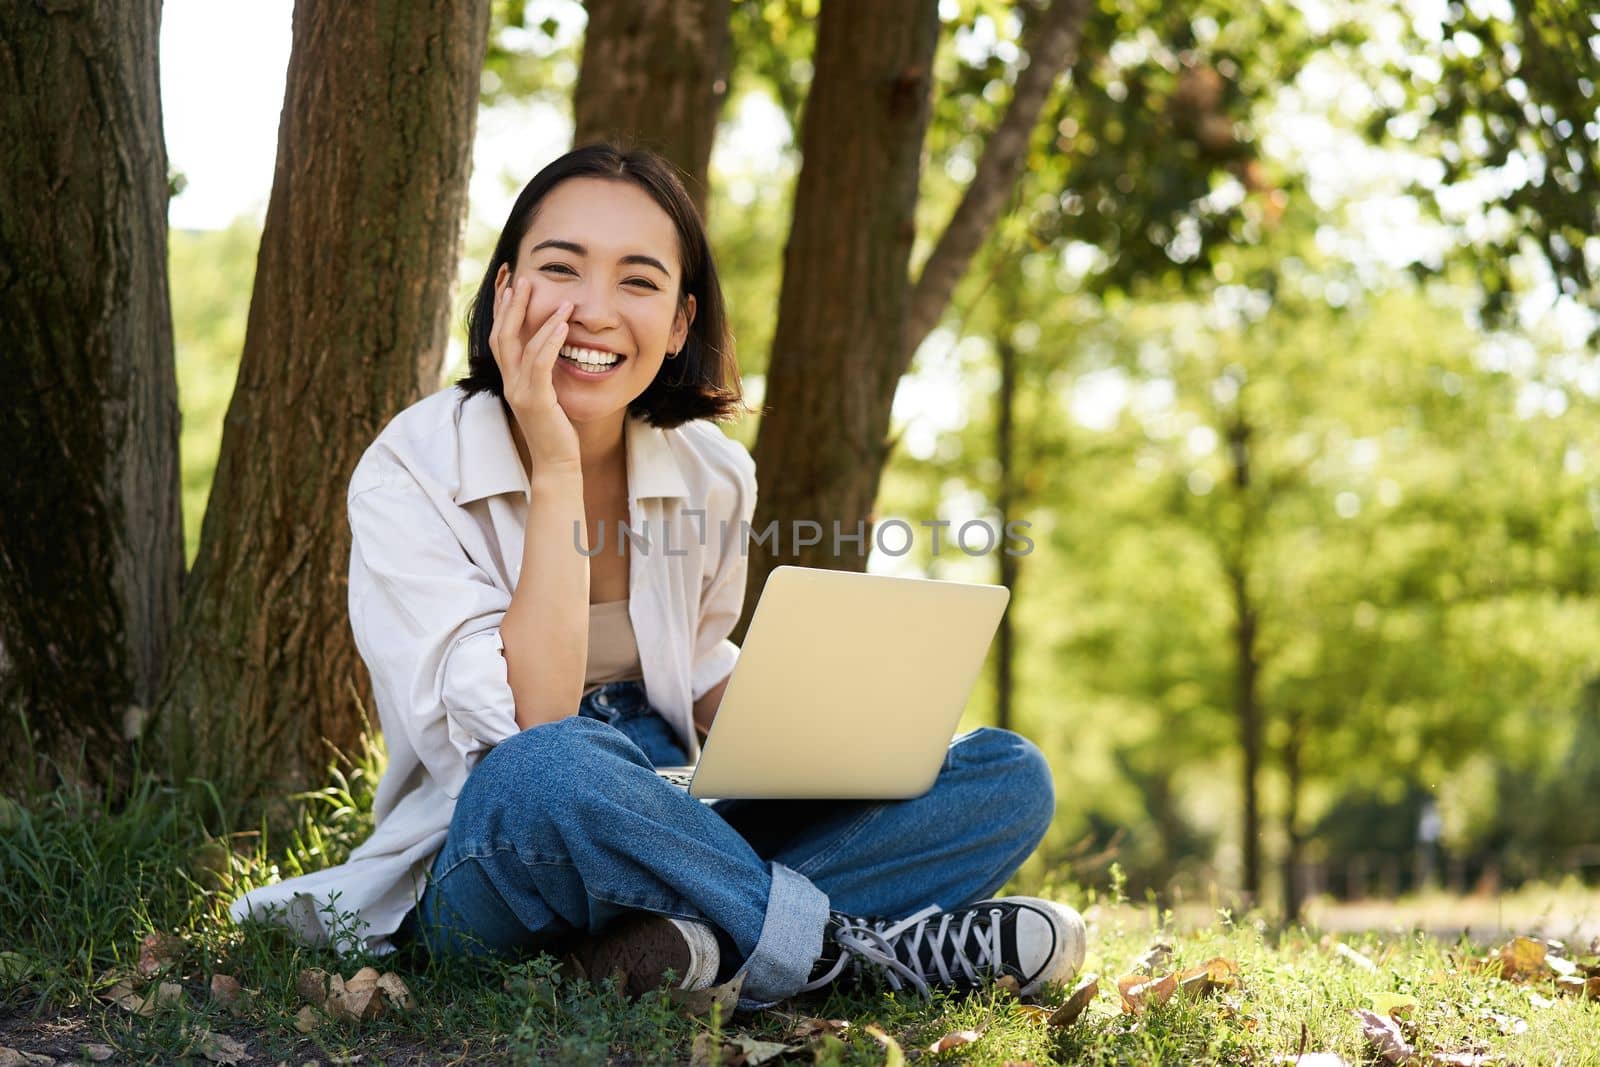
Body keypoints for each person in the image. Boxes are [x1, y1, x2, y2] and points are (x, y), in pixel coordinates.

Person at [228, 143, 1085, 1012]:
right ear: (504, 293)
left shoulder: (712, 472)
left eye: (638, 282)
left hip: (679, 814)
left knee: (1007, 773)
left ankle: (678, 949)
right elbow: (533, 725)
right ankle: (840, 948)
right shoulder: (411, 469)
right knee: (555, 766)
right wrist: (556, 465)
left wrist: (833, 731)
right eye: (561, 269)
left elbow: (700, 658)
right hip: (502, 848)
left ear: (680, 325)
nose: (594, 311)